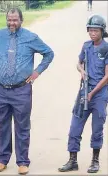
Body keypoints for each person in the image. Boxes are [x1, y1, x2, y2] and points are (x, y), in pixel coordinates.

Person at [0, 8, 54, 174]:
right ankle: (2, 160)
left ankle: (22, 162)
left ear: (21, 20)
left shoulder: (31, 38)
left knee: (22, 127)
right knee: (3, 126)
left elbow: (48, 53)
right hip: (0, 90)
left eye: (15, 20)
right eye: (9, 20)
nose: (11, 23)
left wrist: (37, 72)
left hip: (21, 90)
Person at [58, 14, 108, 174]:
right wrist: (82, 71)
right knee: (75, 127)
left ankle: (95, 161)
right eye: (91, 30)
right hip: (84, 91)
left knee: (97, 128)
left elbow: (107, 77)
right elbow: (78, 63)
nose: (93, 33)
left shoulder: (106, 49)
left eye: (96, 30)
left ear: (102, 31)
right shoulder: (86, 46)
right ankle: (73, 160)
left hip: (99, 94)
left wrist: (92, 93)